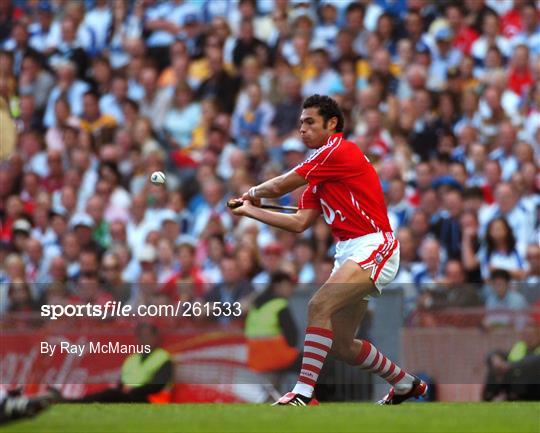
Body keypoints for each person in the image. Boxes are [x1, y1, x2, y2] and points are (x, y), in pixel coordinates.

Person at [230, 94, 426, 406]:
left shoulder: (337, 150)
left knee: (317, 306)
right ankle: (405, 383)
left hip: (375, 244)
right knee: (342, 346)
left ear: (331, 123)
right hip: (348, 253)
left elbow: (281, 185)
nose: (302, 129)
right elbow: (298, 222)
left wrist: (251, 192)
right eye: (300, 124)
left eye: (309, 122)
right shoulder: (318, 179)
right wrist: (250, 210)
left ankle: (304, 393)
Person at [55, 323, 173, 403]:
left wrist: (133, 390)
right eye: (141, 337)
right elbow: (122, 383)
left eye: (147, 336)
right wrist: (125, 390)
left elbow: (157, 386)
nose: (144, 340)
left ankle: (71, 402)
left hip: (151, 399)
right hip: (131, 396)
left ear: (155, 337)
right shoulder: (131, 359)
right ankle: (71, 401)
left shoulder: (163, 358)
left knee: (109, 394)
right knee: (110, 394)